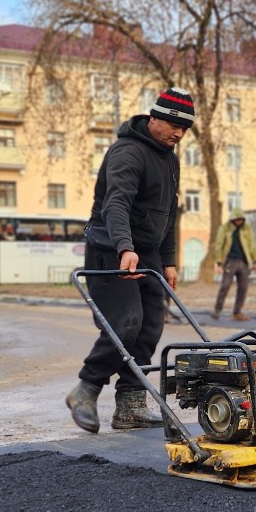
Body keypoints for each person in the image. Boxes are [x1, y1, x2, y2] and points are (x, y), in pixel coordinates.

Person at [65, 87, 194, 434]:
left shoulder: (170, 159)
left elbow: (169, 213)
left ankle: (131, 406)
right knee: (125, 324)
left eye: (185, 129)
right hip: (111, 248)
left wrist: (168, 260)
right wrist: (125, 248)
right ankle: (85, 391)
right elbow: (116, 204)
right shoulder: (128, 152)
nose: (178, 134)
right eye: (173, 125)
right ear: (153, 118)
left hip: (147, 252)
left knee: (151, 325)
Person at [211, 208, 256, 321]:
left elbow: (252, 245)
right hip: (229, 261)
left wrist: (255, 260)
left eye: (241, 220)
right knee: (225, 286)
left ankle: (237, 312)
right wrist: (218, 262)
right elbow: (218, 245)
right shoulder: (225, 229)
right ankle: (217, 310)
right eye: (237, 220)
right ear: (232, 219)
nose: (239, 222)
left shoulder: (246, 228)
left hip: (243, 261)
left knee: (243, 287)